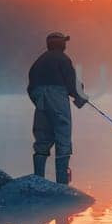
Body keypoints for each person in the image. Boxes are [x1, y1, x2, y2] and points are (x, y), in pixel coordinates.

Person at [27, 31, 87, 183]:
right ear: (61, 44)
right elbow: (71, 82)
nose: (66, 45)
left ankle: (38, 181)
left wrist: (41, 102)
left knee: (42, 138)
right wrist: (80, 96)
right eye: (64, 42)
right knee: (63, 136)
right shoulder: (63, 59)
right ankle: (61, 184)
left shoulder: (38, 61)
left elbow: (30, 88)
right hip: (57, 97)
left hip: (40, 100)